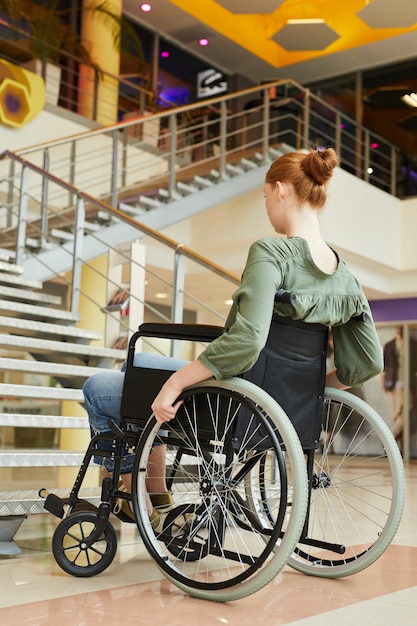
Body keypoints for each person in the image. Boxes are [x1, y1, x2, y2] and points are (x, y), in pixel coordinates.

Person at [83, 148, 383, 525]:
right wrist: (312, 388)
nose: (266, 206)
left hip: (230, 402)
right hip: (276, 406)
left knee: (97, 387)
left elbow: (246, 341)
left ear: (280, 190)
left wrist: (177, 382)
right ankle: (158, 496)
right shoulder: (344, 275)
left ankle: (135, 498)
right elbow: (368, 362)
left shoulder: (271, 252)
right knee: (137, 364)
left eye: (264, 197)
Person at [382, 326, 404, 452]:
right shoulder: (389, 345)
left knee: (403, 418)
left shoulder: (411, 344)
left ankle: (388, 440)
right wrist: (383, 383)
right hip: (392, 386)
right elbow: (384, 367)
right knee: (397, 418)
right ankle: (398, 451)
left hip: (407, 387)